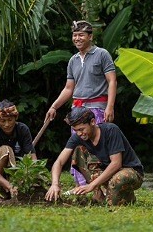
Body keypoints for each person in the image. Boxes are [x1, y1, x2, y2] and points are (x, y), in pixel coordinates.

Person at [45, 20, 117, 185]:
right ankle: (82, 186)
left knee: (99, 146)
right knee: (78, 147)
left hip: (98, 108)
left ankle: (102, 185)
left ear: (90, 37)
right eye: (75, 35)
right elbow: (69, 88)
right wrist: (54, 106)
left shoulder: (102, 54)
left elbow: (112, 81)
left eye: (81, 35)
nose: (77, 38)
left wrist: (110, 106)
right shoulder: (73, 60)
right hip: (77, 110)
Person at [45, 107, 144, 206]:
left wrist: (91, 185)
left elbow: (116, 163)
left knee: (114, 196)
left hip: (131, 172)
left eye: (81, 129)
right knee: (78, 150)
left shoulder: (111, 130)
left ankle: (126, 195)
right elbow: (59, 162)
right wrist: (55, 184)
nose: (79, 133)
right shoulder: (77, 137)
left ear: (92, 122)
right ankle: (98, 195)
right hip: (107, 172)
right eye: (75, 130)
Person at [0, 100, 36, 203]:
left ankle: (7, 193)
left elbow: (33, 159)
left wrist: (34, 177)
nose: (7, 124)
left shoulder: (23, 130)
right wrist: (8, 185)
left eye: (10, 120)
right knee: (6, 149)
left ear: (15, 118)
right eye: (3, 121)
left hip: (12, 170)